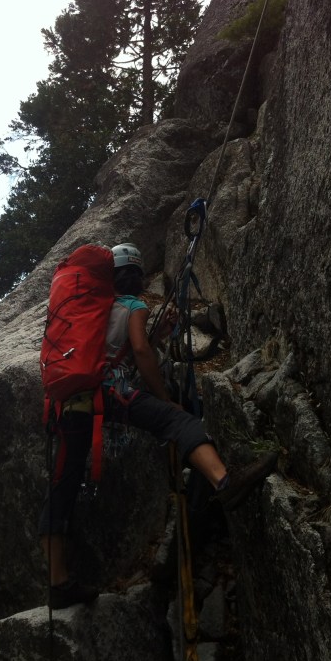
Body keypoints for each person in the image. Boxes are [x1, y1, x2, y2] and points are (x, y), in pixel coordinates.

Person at [38, 242, 277, 610]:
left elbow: (120, 347)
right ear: (130, 278)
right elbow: (140, 351)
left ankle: (57, 581)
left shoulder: (89, 305)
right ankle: (223, 482)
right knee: (176, 419)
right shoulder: (133, 305)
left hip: (68, 403)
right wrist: (163, 396)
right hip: (109, 394)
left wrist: (157, 335)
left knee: (63, 485)